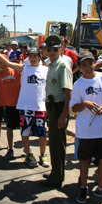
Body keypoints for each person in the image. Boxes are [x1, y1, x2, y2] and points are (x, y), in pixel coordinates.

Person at [70, 51, 102, 203]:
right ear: (79, 67)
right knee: (84, 160)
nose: (88, 67)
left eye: (90, 63)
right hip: (85, 131)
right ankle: (83, 188)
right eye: (84, 65)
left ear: (94, 63)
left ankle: (101, 188)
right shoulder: (78, 84)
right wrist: (85, 104)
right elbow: (74, 108)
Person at [0, 44, 49, 167]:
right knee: (25, 132)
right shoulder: (25, 68)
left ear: (40, 57)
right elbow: (8, 62)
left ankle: (43, 155)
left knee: (42, 132)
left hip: (40, 106)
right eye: (31, 56)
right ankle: (28, 154)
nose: (33, 58)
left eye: (35, 56)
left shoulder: (45, 70)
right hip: (26, 106)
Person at [40, 35, 73, 188]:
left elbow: (68, 93)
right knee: (53, 143)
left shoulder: (62, 66)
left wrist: (64, 116)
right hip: (52, 108)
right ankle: (55, 173)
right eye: (49, 49)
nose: (52, 52)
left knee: (58, 144)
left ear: (61, 49)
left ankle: (57, 177)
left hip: (59, 108)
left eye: (55, 49)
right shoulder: (51, 65)